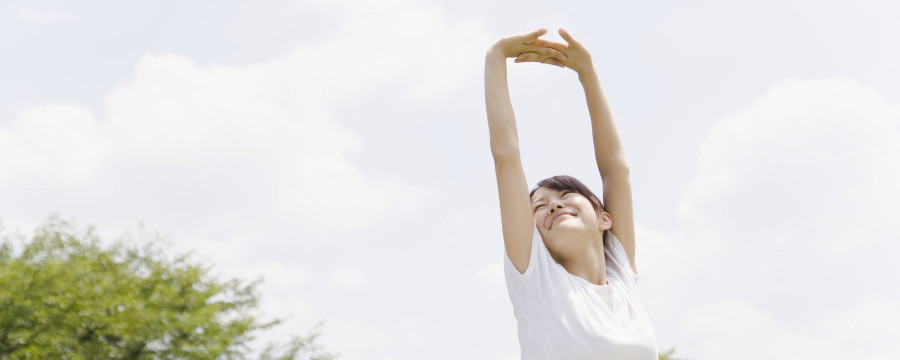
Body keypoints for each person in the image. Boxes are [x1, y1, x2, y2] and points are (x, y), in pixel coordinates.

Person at [484, 28, 659, 359]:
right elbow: (506, 155)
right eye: (539, 206)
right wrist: (495, 57)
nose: (553, 205)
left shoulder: (621, 278)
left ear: (604, 218)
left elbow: (615, 171)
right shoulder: (536, 280)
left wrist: (586, 72)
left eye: (566, 194)